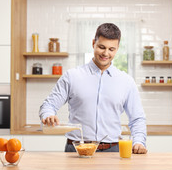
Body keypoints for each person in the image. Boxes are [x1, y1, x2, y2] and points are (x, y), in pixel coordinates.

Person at [39, 23, 147, 154]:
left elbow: (137, 118)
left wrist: (139, 142)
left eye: (111, 49)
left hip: (112, 151)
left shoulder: (126, 81)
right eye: (102, 47)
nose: (106, 53)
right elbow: (49, 105)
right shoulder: (72, 76)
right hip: (76, 150)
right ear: (93, 43)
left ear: (117, 49)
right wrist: (48, 114)